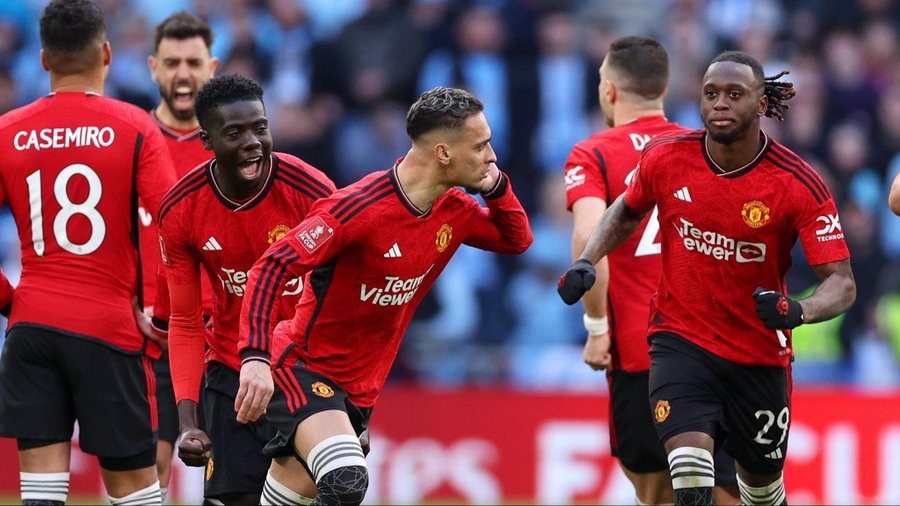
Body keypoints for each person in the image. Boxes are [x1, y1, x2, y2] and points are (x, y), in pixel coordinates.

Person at [558, 51, 856, 506]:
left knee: (759, 493)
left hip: (758, 355)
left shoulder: (798, 182)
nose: (719, 103)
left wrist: (800, 310)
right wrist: (588, 258)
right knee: (690, 474)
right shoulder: (668, 157)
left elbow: (842, 282)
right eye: (711, 93)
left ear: (760, 104)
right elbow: (626, 208)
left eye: (734, 95)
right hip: (680, 340)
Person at [235, 86, 533, 505]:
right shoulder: (357, 209)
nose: (492, 156)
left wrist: (497, 187)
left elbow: (516, 239)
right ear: (444, 153)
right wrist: (254, 356)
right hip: (303, 366)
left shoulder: (456, 211)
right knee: (347, 481)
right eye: (482, 145)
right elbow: (272, 265)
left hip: (359, 388)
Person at [0, 1, 177, 504]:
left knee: (40, 495)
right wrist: (157, 310)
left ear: (42, 60)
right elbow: (170, 227)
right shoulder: (137, 127)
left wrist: (10, 300)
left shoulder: (8, 130)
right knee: (135, 492)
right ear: (105, 53)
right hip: (108, 328)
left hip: (31, 327)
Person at [564, 35, 738, 505]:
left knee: (661, 494)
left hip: (643, 352)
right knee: (728, 490)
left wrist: (596, 327)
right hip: (719, 348)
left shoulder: (593, 154)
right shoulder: (704, 147)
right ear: (662, 90)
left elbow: (587, 238)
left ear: (610, 91)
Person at [158, 74, 336, 505]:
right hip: (230, 372)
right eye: (234, 132)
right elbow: (184, 320)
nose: (253, 141)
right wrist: (187, 421)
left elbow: (341, 295)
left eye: (260, 127)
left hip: (304, 372)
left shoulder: (314, 193)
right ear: (206, 140)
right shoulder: (181, 209)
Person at [144, 11, 219, 498]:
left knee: (226, 483)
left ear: (212, 67)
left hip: (216, 342)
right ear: (153, 67)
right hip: (142, 337)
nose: (183, 73)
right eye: (172, 62)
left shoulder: (234, 150)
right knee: (146, 481)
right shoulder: (132, 138)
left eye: (193, 62)